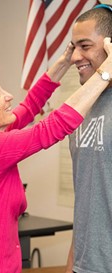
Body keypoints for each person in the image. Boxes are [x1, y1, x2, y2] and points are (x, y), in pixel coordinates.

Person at [0, 27, 112, 272]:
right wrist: (104, 74)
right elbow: (52, 127)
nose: (9, 96)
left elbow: (30, 107)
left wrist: (63, 62)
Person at [65, 4, 112, 273]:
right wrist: (72, 263)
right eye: (74, 47)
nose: (75, 57)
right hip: (85, 265)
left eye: (85, 46)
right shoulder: (81, 107)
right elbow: (87, 199)